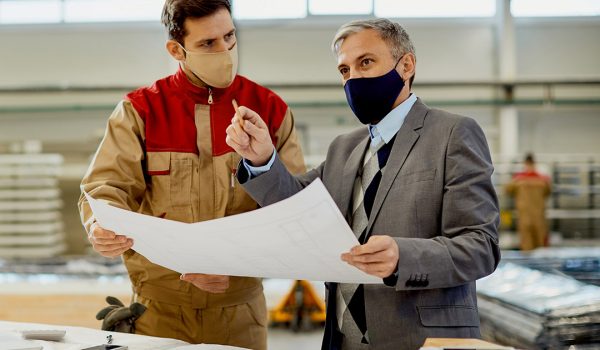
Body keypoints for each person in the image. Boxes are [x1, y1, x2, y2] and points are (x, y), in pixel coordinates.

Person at [225, 19, 500, 349]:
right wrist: (262, 158)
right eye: (344, 70)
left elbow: (480, 246)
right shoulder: (344, 148)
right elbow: (297, 205)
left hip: (423, 338)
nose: (353, 78)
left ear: (407, 65)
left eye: (365, 62)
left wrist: (404, 257)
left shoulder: (453, 134)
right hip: (343, 338)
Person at [78, 0, 305, 348]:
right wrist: (99, 224)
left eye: (229, 37)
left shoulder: (269, 110)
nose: (225, 51)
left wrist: (235, 262)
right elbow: (106, 187)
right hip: (157, 312)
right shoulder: (140, 110)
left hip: (240, 313)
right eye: (208, 44)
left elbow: (293, 209)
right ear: (176, 49)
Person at [505, 153, 551, 251]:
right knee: (539, 242)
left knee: (527, 244)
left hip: (525, 215)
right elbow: (548, 192)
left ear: (525, 164)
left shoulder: (518, 180)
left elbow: (508, 191)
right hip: (538, 215)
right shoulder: (543, 180)